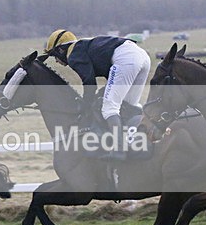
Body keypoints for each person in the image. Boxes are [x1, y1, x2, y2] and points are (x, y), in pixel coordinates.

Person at [43, 29, 151, 161]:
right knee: (129, 105)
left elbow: (89, 83)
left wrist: (85, 104)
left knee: (109, 108)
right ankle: (141, 141)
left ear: (60, 50)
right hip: (142, 56)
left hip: (126, 59)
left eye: (54, 55)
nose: (56, 61)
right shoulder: (84, 47)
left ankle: (119, 150)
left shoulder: (73, 55)